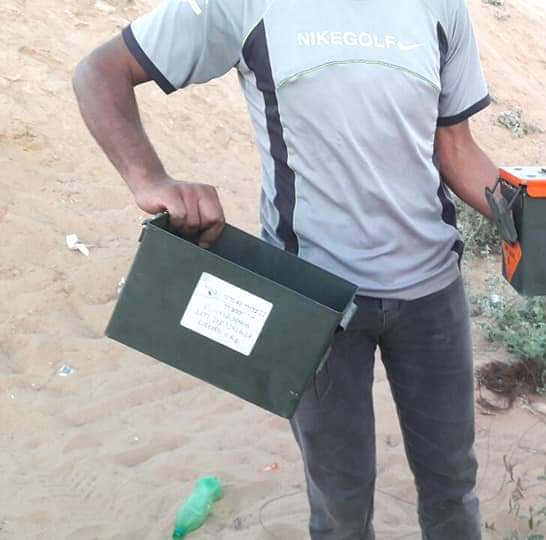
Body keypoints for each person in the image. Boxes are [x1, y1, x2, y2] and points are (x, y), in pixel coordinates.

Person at [72, 0, 499, 537]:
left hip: (433, 297)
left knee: (453, 485)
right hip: (313, 305)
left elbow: (457, 148)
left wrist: (538, 216)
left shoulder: (441, 9)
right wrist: (149, 179)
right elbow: (100, 71)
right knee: (340, 503)